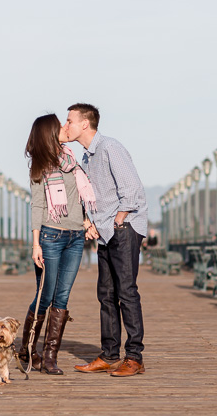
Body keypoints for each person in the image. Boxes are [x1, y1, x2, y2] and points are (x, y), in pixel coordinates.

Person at [65, 103, 149, 378]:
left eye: (70, 121)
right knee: (106, 294)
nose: (66, 126)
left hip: (123, 228)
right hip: (106, 232)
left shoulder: (110, 147)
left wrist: (118, 220)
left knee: (126, 292)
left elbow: (132, 190)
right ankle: (110, 355)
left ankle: (134, 357)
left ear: (85, 124)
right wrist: (91, 222)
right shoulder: (88, 157)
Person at [19, 113, 97, 375]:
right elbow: (38, 205)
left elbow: (79, 198)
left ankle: (50, 357)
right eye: (60, 125)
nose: (66, 127)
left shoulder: (71, 160)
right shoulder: (40, 166)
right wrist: (35, 244)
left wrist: (86, 222)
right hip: (50, 237)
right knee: (45, 296)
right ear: (49, 132)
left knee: (62, 297)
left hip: (75, 237)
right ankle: (28, 350)